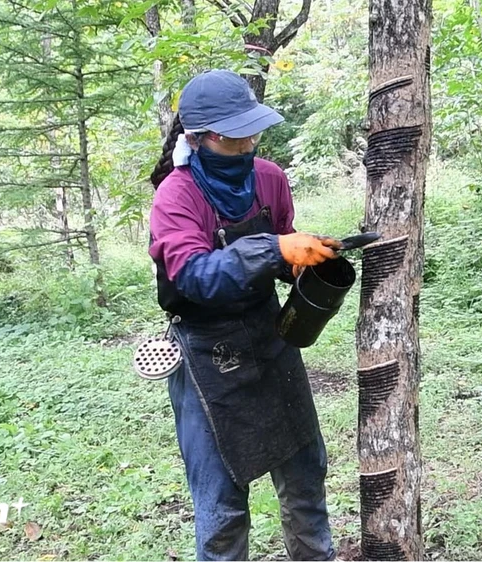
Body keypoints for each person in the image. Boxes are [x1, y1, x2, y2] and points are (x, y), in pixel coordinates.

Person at [147, 69, 340, 561]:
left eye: (253, 131)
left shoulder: (270, 179)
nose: (250, 142)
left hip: (270, 337)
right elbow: (194, 276)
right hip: (207, 351)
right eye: (237, 138)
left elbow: (281, 252)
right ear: (201, 137)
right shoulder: (177, 194)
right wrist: (273, 249)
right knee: (221, 506)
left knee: (305, 476)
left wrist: (305, 260)